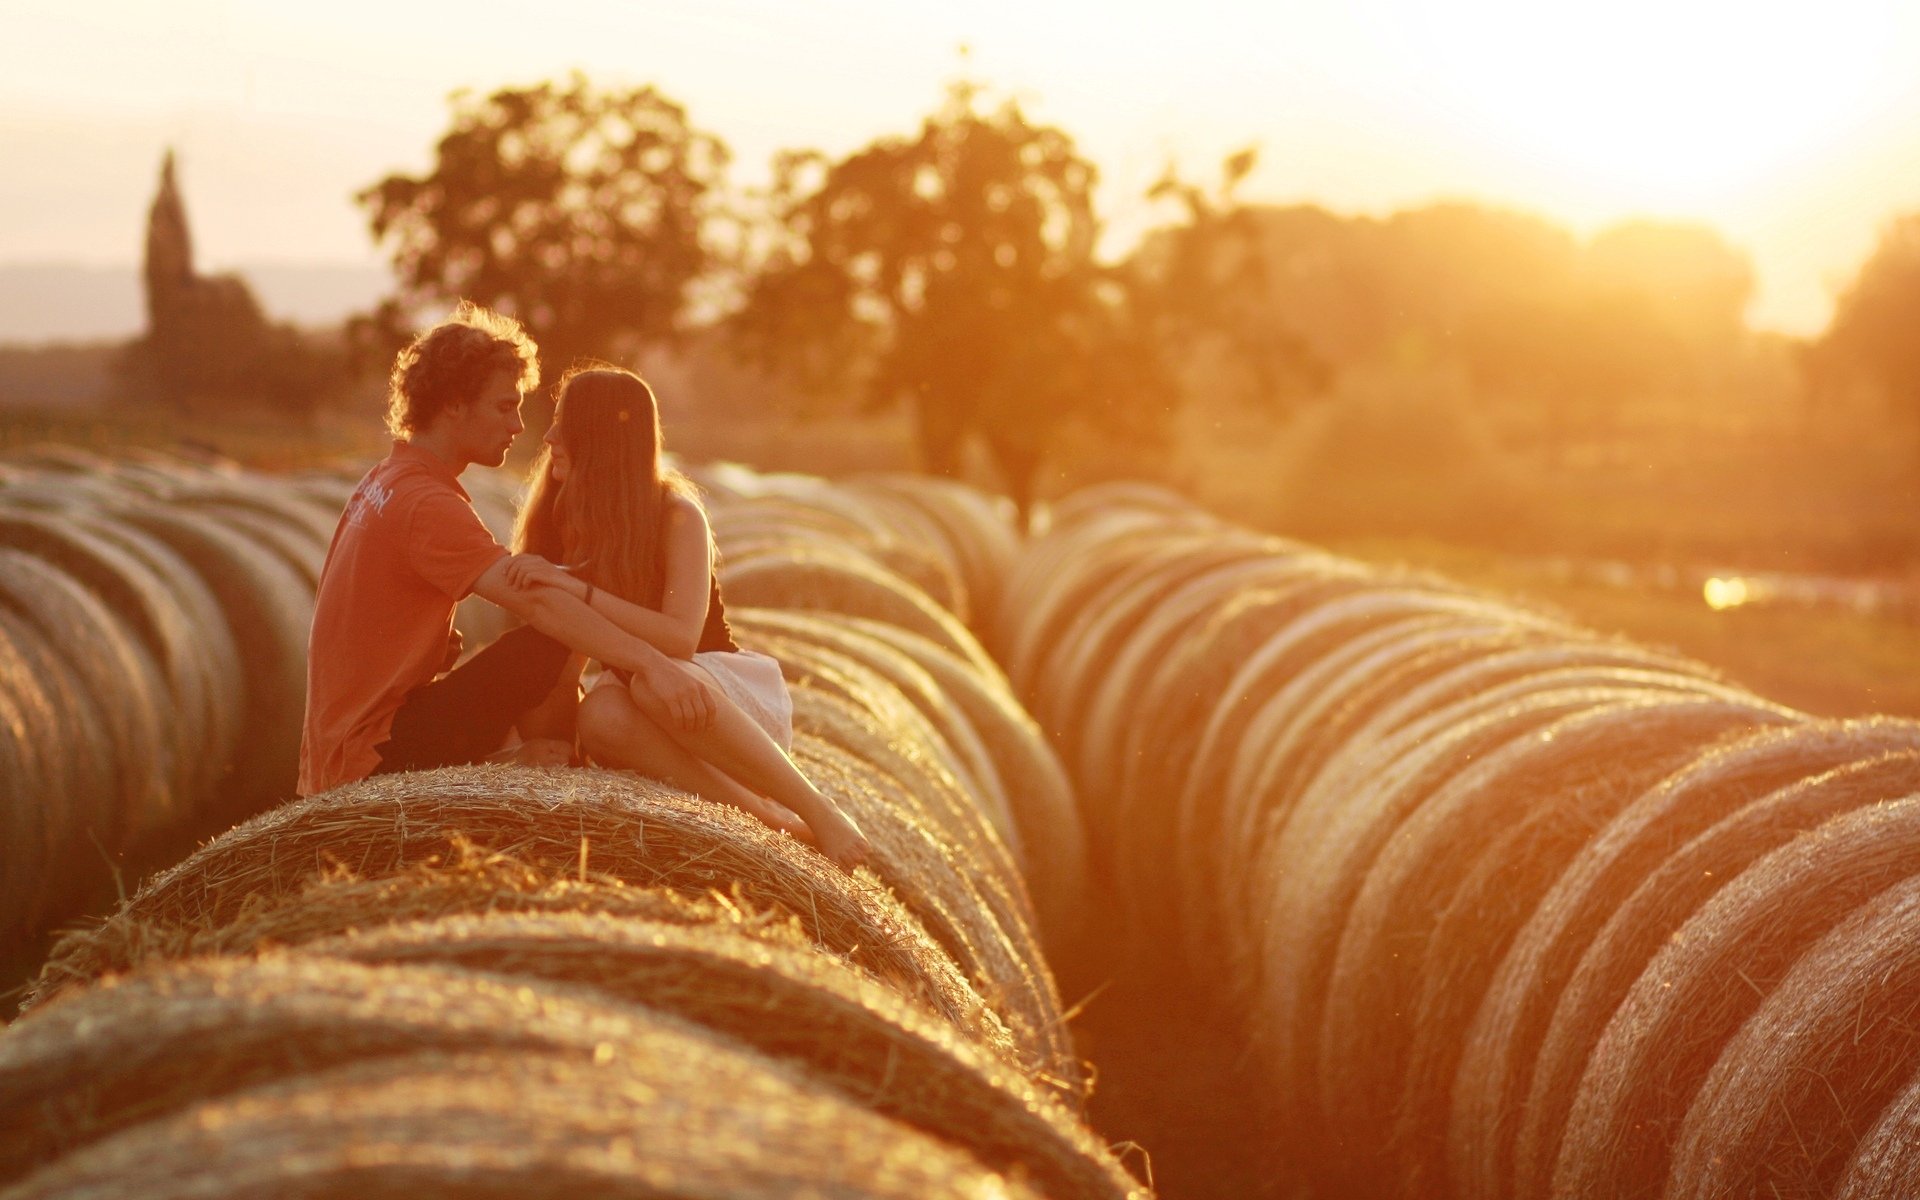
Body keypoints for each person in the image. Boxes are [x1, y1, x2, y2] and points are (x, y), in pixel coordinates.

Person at [298, 303, 718, 808]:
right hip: (374, 755)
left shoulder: (387, 480)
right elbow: (539, 604)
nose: (520, 427)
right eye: (504, 406)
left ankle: (530, 765)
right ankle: (571, 781)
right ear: (453, 404)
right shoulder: (427, 503)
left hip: (344, 745)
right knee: (546, 641)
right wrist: (655, 665)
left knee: (537, 642)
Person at [504, 364, 872, 869]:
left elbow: (679, 639)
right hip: (649, 714)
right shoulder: (558, 514)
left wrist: (576, 587)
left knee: (653, 682)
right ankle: (773, 822)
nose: (548, 436)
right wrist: (549, 744)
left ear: (601, 437)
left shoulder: (676, 513)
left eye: (563, 423)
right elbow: (563, 647)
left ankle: (816, 808)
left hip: (723, 705)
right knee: (600, 716)